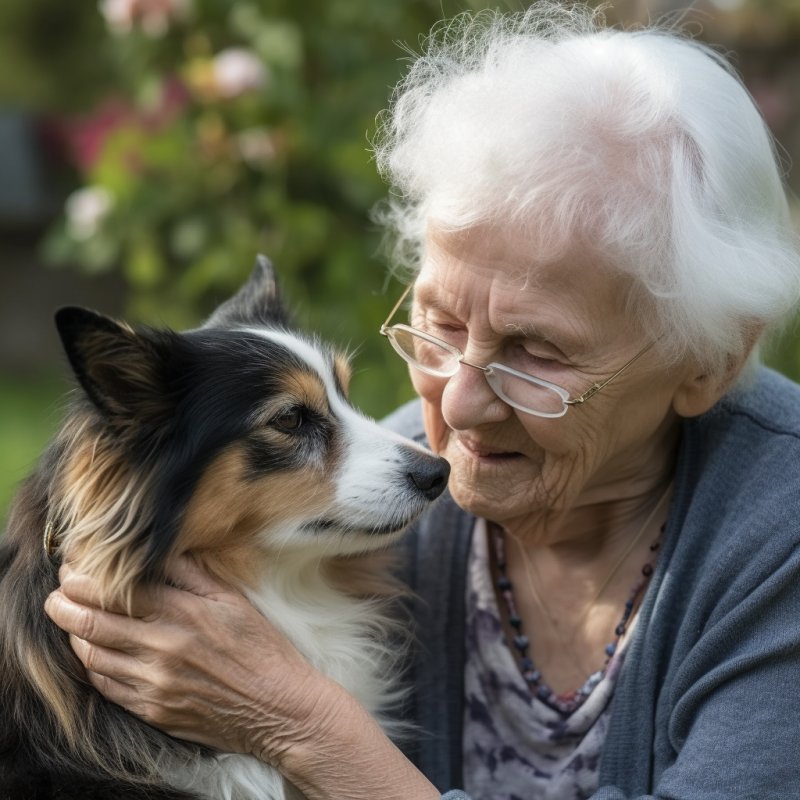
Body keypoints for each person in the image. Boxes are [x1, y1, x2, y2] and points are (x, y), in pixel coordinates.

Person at [44, 3, 800, 798]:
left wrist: (305, 728)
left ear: (708, 364)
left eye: (537, 351)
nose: (462, 403)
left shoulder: (775, 537)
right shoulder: (382, 497)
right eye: (438, 322)